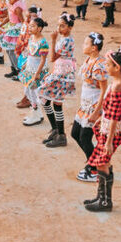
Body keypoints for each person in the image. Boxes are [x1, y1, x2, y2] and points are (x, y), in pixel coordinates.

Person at [84, 47, 121, 212]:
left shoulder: (118, 86)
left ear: (117, 68)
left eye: (108, 65)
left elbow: (115, 116)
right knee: (104, 162)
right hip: (109, 126)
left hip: (112, 129)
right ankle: (101, 197)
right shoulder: (117, 82)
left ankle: (105, 201)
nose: (106, 68)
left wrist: (109, 140)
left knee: (103, 162)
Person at [71, 32, 108, 182]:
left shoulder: (99, 65)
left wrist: (97, 111)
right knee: (75, 133)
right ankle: (93, 162)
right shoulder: (89, 59)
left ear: (94, 48)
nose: (83, 46)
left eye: (86, 44)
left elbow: (104, 90)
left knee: (85, 138)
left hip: (93, 106)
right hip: (85, 104)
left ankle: (94, 168)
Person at [40, 13, 78, 148]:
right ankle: (57, 130)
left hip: (63, 74)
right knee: (46, 99)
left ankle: (60, 134)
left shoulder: (66, 40)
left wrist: (53, 40)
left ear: (70, 27)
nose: (59, 28)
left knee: (55, 103)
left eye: (63, 26)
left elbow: (52, 58)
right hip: (59, 71)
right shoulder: (65, 38)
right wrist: (51, 72)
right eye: (59, 25)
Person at [18, 17, 50, 126]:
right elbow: (30, 54)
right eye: (29, 26)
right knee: (27, 91)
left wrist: (37, 74)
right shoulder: (32, 38)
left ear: (39, 28)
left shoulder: (43, 42)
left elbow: (43, 60)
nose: (30, 28)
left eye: (33, 26)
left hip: (37, 71)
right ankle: (37, 113)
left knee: (34, 92)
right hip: (30, 69)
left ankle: (36, 114)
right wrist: (26, 64)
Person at [0, 0, 26, 79]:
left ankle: (19, 71)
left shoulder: (17, 8)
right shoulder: (11, 6)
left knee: (13, 51)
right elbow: (9, 18)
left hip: (16, 30)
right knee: (8, 50)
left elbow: (22, 21)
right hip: (10, 28)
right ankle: (14, 69)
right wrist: (1, 25)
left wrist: (24, 33)